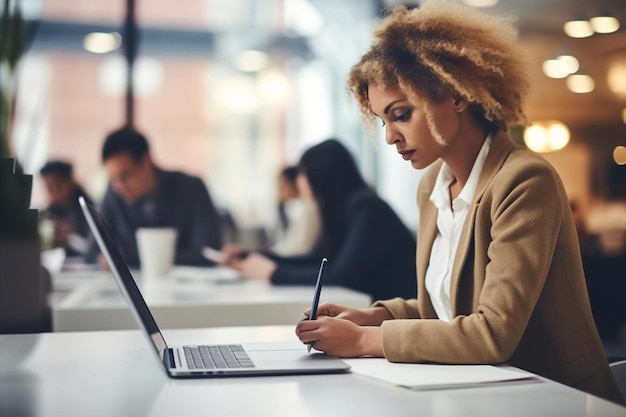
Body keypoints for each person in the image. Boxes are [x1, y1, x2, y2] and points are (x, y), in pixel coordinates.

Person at [295, 1, 624, 405]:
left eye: (401, 114)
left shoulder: (523, 181)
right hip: (478, 392)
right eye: (383, 120)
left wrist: (365, 339)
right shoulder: (433, 186)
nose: (390, 137)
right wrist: (374, 316)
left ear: (456, 95)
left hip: (552, 399)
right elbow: (447, 309)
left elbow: (492, 333)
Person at [223, 139, 417, 302]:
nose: (298, 181)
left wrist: (274, 273)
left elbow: (339, 275)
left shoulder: (367, 209)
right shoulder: (344, 210)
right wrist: (251, 255)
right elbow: (317, 260)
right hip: (371, 309)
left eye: (302, 173)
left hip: (396, 317)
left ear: (321, 174)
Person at [89, 126, 222, 266]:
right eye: (112, 179)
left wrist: (128, 259)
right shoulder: (114, 193)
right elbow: (92, 252)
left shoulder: (192, 188)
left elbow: (208, 254)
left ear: (146, 160)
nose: (119, 186)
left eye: (125, 176)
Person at [39, 160, 93, 256]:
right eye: (49, 188)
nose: (55, 192)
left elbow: (95, 249)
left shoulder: (90, 211)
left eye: (58, 186)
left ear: (71, 182)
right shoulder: (46, 216)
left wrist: (71, 238)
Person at [268, 165, 321, 256]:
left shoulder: (306, 207)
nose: (279, 190)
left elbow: (300, 249)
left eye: (283, 185)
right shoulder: (289, 209)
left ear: (293, 184)